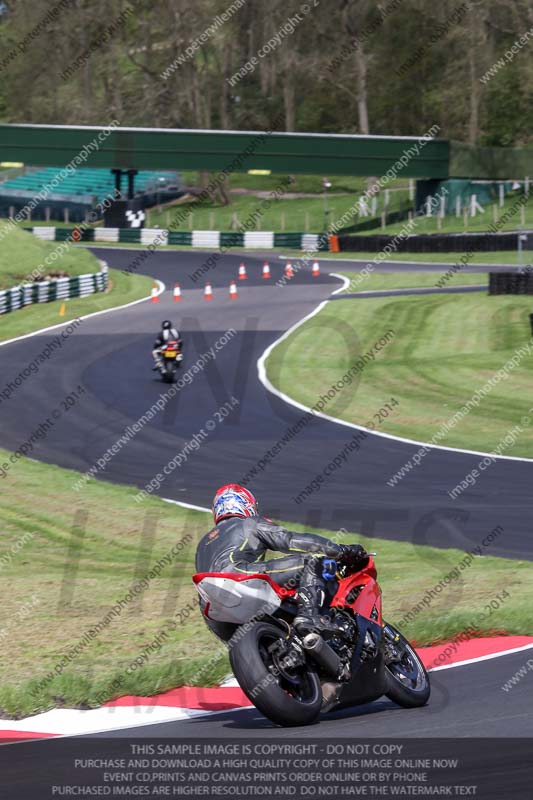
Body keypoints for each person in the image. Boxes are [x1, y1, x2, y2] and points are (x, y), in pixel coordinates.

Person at [195, 484, 368, 637]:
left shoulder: (202, 545)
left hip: (215, 612)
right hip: (241, 576)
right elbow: (291, 541)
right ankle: (310, 617)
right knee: (311, 563)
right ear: (246, 504)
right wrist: (341, 551)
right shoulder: (250, 522)